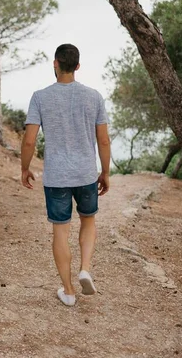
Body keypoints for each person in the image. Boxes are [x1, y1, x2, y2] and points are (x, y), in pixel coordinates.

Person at [21, 44, 111, 306]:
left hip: (57, 176)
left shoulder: (40, 97)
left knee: (60, 231)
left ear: (55, 64)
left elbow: (29, 141)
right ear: (78, 66)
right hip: (85, 174)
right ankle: (85, 268)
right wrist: (104, 172)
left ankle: (69, 291)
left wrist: (24, 168)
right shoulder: (94, 97)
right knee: (88, 221)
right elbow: (103, 141)